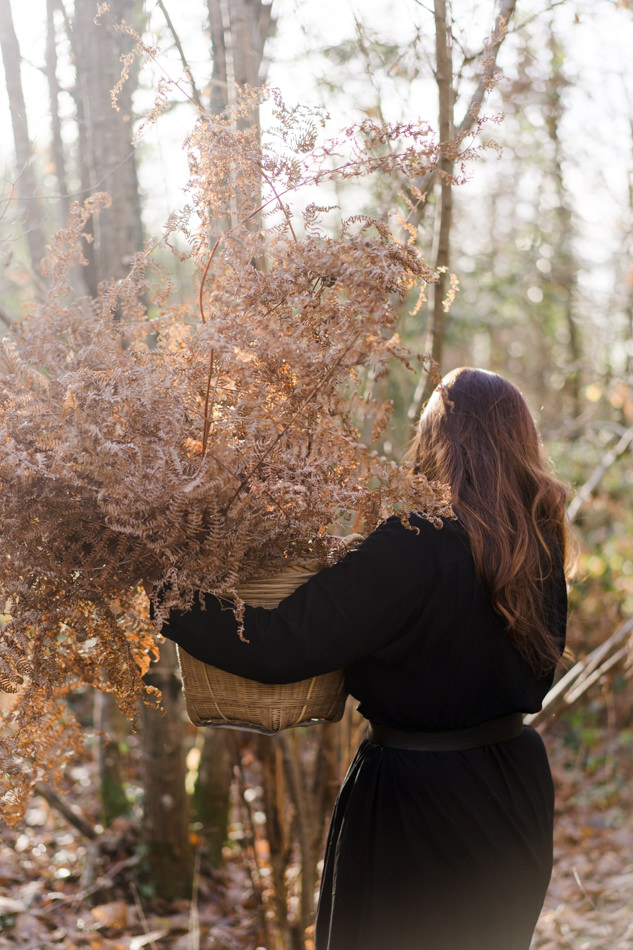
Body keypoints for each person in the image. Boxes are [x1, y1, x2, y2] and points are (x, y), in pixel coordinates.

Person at [156, 367, 569, 950]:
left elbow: (279, 643)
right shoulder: (539, 539)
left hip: (416, 802)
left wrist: (168, 598)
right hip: (516, 790)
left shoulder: (414, 543)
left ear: (437, 440)